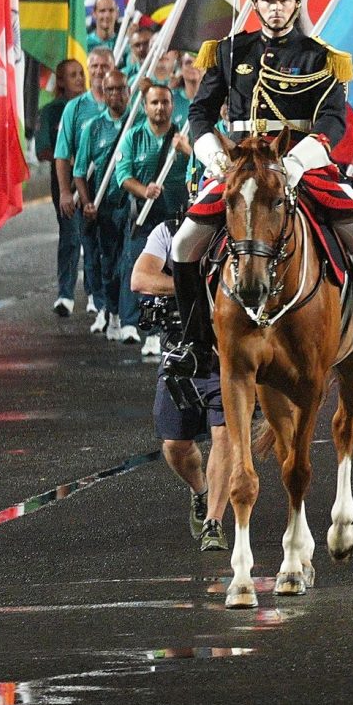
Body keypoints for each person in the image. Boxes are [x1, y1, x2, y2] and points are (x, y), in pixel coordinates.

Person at [171, 0, 353, 391]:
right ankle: (193, 342)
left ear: (296, 3)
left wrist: (299, 160)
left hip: (302, 168)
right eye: (268, 0)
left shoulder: (322, 57)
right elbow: (199, 113)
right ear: (255, 3)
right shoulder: (228, 52)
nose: (275, 8)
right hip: (237, 171)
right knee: (184, 245)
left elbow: (333, 121)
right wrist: (214, 154)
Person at [129, 222, 223, 551]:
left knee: (224, 436)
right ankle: (201, 491)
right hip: (181, 348)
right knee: (174, 445)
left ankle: (215, 521)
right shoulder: (168, 231)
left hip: (227, 352)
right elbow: (140, 279)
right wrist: (194, 287)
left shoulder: (237, 224)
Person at [112, 80, 192, 350]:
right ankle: (130, 322)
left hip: (174, 218)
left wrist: (189, 152)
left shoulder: (183, 137)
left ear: (173, 106)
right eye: (154, 102)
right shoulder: (134, 136)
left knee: (169, 271)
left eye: (165, 102)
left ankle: (158, 332)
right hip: (143, 216)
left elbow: (203, 172)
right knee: (136, 267)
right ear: (145, 106)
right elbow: (122, 174)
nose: (160, 107)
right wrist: (143, 190)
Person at [55, 59, 130, 339]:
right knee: (94, 253)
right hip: (91, 197)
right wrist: (68, 193)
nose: (99, 72)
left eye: (104, 66)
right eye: (94, 66)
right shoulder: (76, 111)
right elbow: (64, 155)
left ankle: (122, 314)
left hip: (125, 201)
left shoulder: (133, 115)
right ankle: (100, 305)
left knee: (126, 259)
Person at [35, 57, 87, 317]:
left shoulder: (92, 106)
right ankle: (65, 294)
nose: (79, 78)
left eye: (81, 73)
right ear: (62, 81)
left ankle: (96, 294)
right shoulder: (52, 111)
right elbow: (42, 149)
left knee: (94, 237)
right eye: (72, 75)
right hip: (64, 181)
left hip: (93, 179)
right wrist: (65, 156)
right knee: (70, 234)